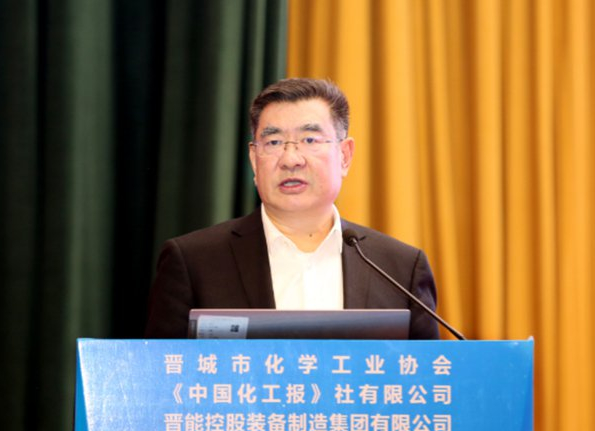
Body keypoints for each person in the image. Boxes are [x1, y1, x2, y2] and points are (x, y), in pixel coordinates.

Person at [145, 78, 439, 341]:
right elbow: (163, 374)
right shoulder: (194, 262)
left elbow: (427, 378)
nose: (290, 159)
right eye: (273, 142)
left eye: (309, 140)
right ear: (254, 159)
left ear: (344, 155)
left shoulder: (399, 269)